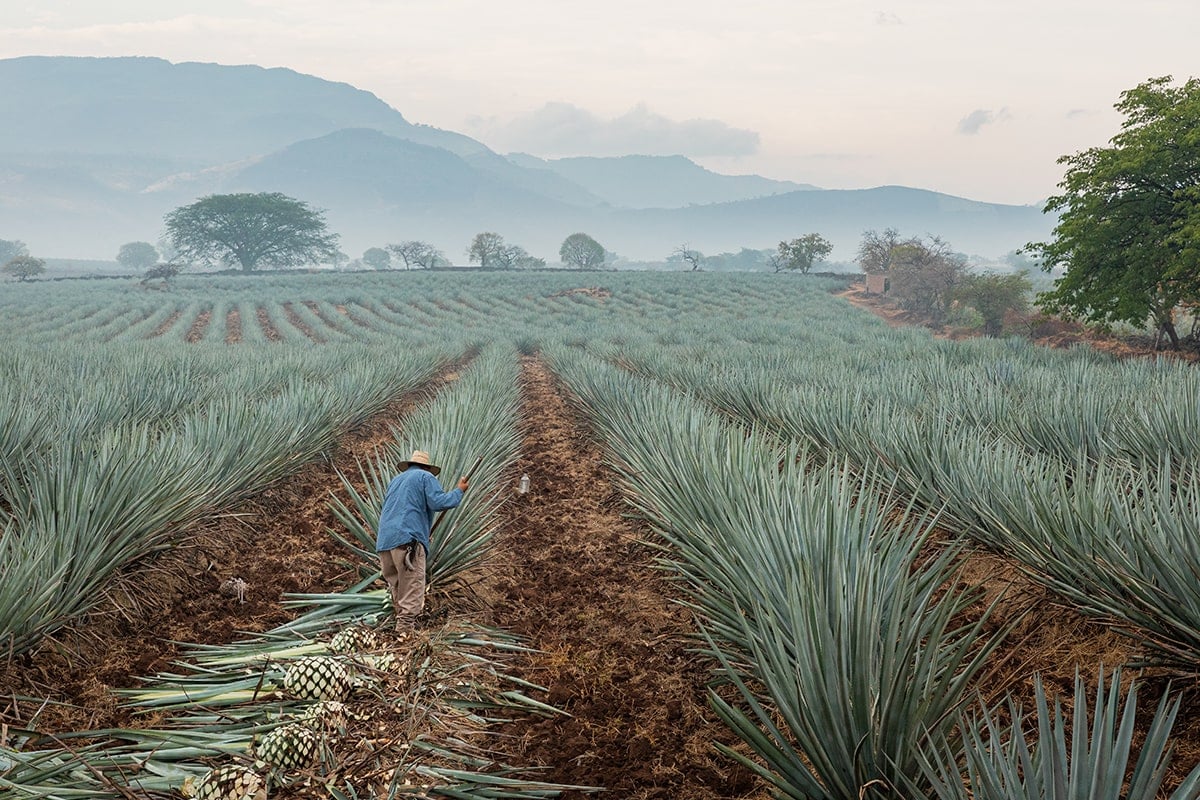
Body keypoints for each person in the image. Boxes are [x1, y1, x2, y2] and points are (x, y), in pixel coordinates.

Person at [375, 450, 468, 635]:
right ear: (427, 467)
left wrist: (422, 533)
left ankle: (398, 631)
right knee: (411, 588)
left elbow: (401, 510)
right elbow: (439, 502)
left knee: (398, 588)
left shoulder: (396, 481)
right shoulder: (425, 477)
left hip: (385, 543)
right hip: (407, 542)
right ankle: (404, 636)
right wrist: (459, 491)